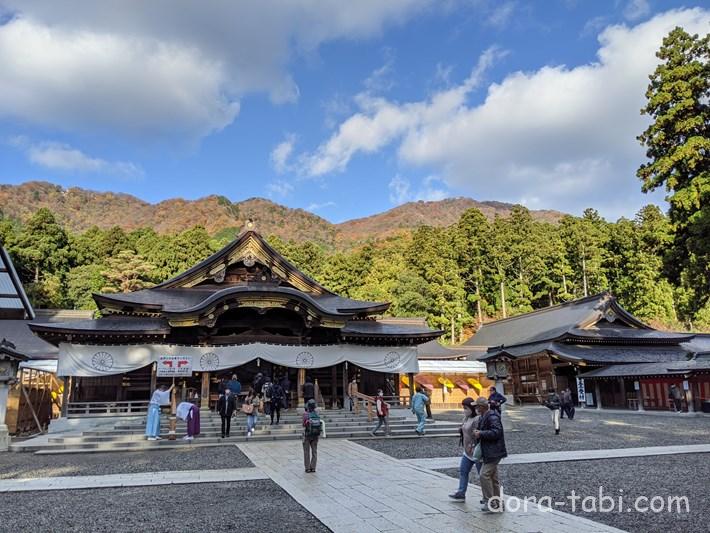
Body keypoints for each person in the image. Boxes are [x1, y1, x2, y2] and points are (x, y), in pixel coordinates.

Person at [474, 397, 507, 513]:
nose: (475, 408)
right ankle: (497, 503)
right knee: (493, 478)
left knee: (484, 475)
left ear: (482, 407)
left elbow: (497, 432)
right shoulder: (484, 416)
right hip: (490, 451)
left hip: (494, 451)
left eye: (477, 406)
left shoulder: (492, 417)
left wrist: (481, 434)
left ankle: (490, 502)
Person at [449, 397, 480, 501]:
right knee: (463, 470)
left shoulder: (477, 419)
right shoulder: (466, 418)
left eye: (466, 408)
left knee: (483, 475)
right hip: (467, 451)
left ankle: (489, 496)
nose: (464, 410)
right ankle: (461, 492)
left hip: (476, 451)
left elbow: (477, 434)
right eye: (464, 408)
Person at [302, 399, 322, 473]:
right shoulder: (317, 413)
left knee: (306, 452)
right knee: (314, 451)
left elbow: (303, 424)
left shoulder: (305, 414)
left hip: (307, 435)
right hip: (315, 435)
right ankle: (313, 467)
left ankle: (307, 468)